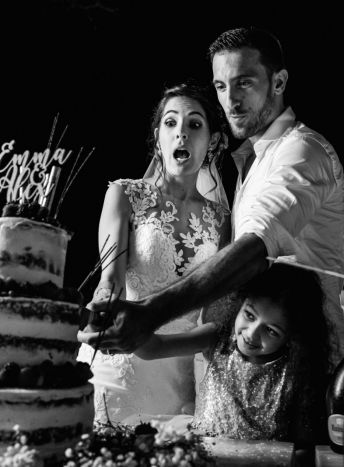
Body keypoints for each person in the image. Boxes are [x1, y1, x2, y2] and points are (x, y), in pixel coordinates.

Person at [79, 27, 344, 364]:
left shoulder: (301, 151)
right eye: (221, 86)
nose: (231, 101)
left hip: (306, 359)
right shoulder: (251, 162)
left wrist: (150, 315)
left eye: (244, 83)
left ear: (278, 83)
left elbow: (253, 251)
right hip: (246, 365)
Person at [76, 83, 231, 423]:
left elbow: (214, 313)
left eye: (194, 124)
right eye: (171, 123)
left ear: (213, 140)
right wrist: (100, 311)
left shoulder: (221, 221)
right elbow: (111, 279)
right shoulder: (124, 194)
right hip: (120, 362)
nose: (181, 134)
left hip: (179, 374)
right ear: (157, 135)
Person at [133, 263, 333, 465]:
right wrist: (122, 327)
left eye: (271, 330)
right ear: (241, 303)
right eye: (249, 315)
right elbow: (154, 348)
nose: (252, 333)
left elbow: (305, 449)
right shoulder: (215, 338)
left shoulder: (296, 372)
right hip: (200, 457)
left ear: (292, 337)